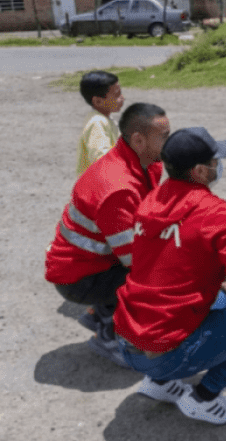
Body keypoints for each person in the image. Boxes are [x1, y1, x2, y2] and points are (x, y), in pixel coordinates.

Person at [114, 127, 226, 425]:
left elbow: (161, 262)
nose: (217, 166)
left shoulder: (149, 201)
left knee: (218, 298)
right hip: (167, 352)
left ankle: (157, 383)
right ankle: (204, 397)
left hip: (126, 339)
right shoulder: (218, 214)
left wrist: (213, 279)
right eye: (214, 161)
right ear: (199, 171)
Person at [45, 103, 169, 367]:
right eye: (164, 136)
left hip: (92, 265)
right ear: (138, 139)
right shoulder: (118, 188)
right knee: (158, 281)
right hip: (78, 278)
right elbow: (136, 261)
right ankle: (112, 337)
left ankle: (102, 312)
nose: (170, 142)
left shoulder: (146, 164)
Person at [77, 70, 125, 175]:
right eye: (117, 95)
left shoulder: (105, 119)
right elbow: (101, 159)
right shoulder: (97, 123)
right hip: (97, 187)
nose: (122, 98)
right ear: (98, 101)